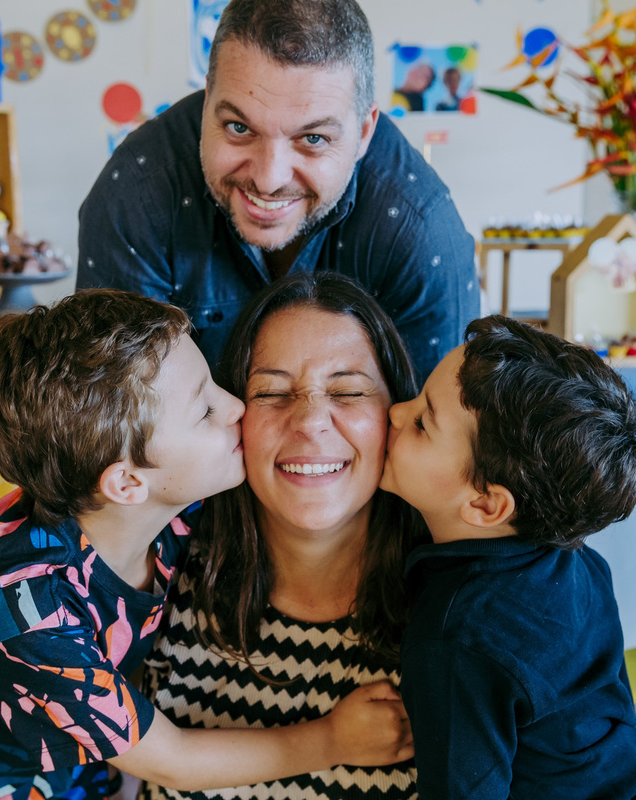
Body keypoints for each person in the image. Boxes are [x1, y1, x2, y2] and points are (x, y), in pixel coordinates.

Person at [0, 289, 413, 800]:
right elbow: (174, 760)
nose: (236, 406)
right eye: (206, 407)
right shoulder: (26, 613)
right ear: (127, 481)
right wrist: (331, 740)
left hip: (62, 753)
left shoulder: (144, 501)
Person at [76, 0, 478, 381]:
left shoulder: (422, 230)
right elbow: (123, 431)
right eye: (239, 127)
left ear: (364, 132)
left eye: (313, 139)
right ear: (206, 104)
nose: (269, 179)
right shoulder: (134, 196)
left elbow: (439, 442)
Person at [139, 272, 427, 800]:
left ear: (397, 414)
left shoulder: (459, 609)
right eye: (271, 392)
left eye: (348, 390)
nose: (311, 421)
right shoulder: (159, 574)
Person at [379, 315, 636, 800]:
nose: (394, 412)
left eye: (421, 423)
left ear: (485, 504)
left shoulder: (456, 638)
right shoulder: (581, 562)